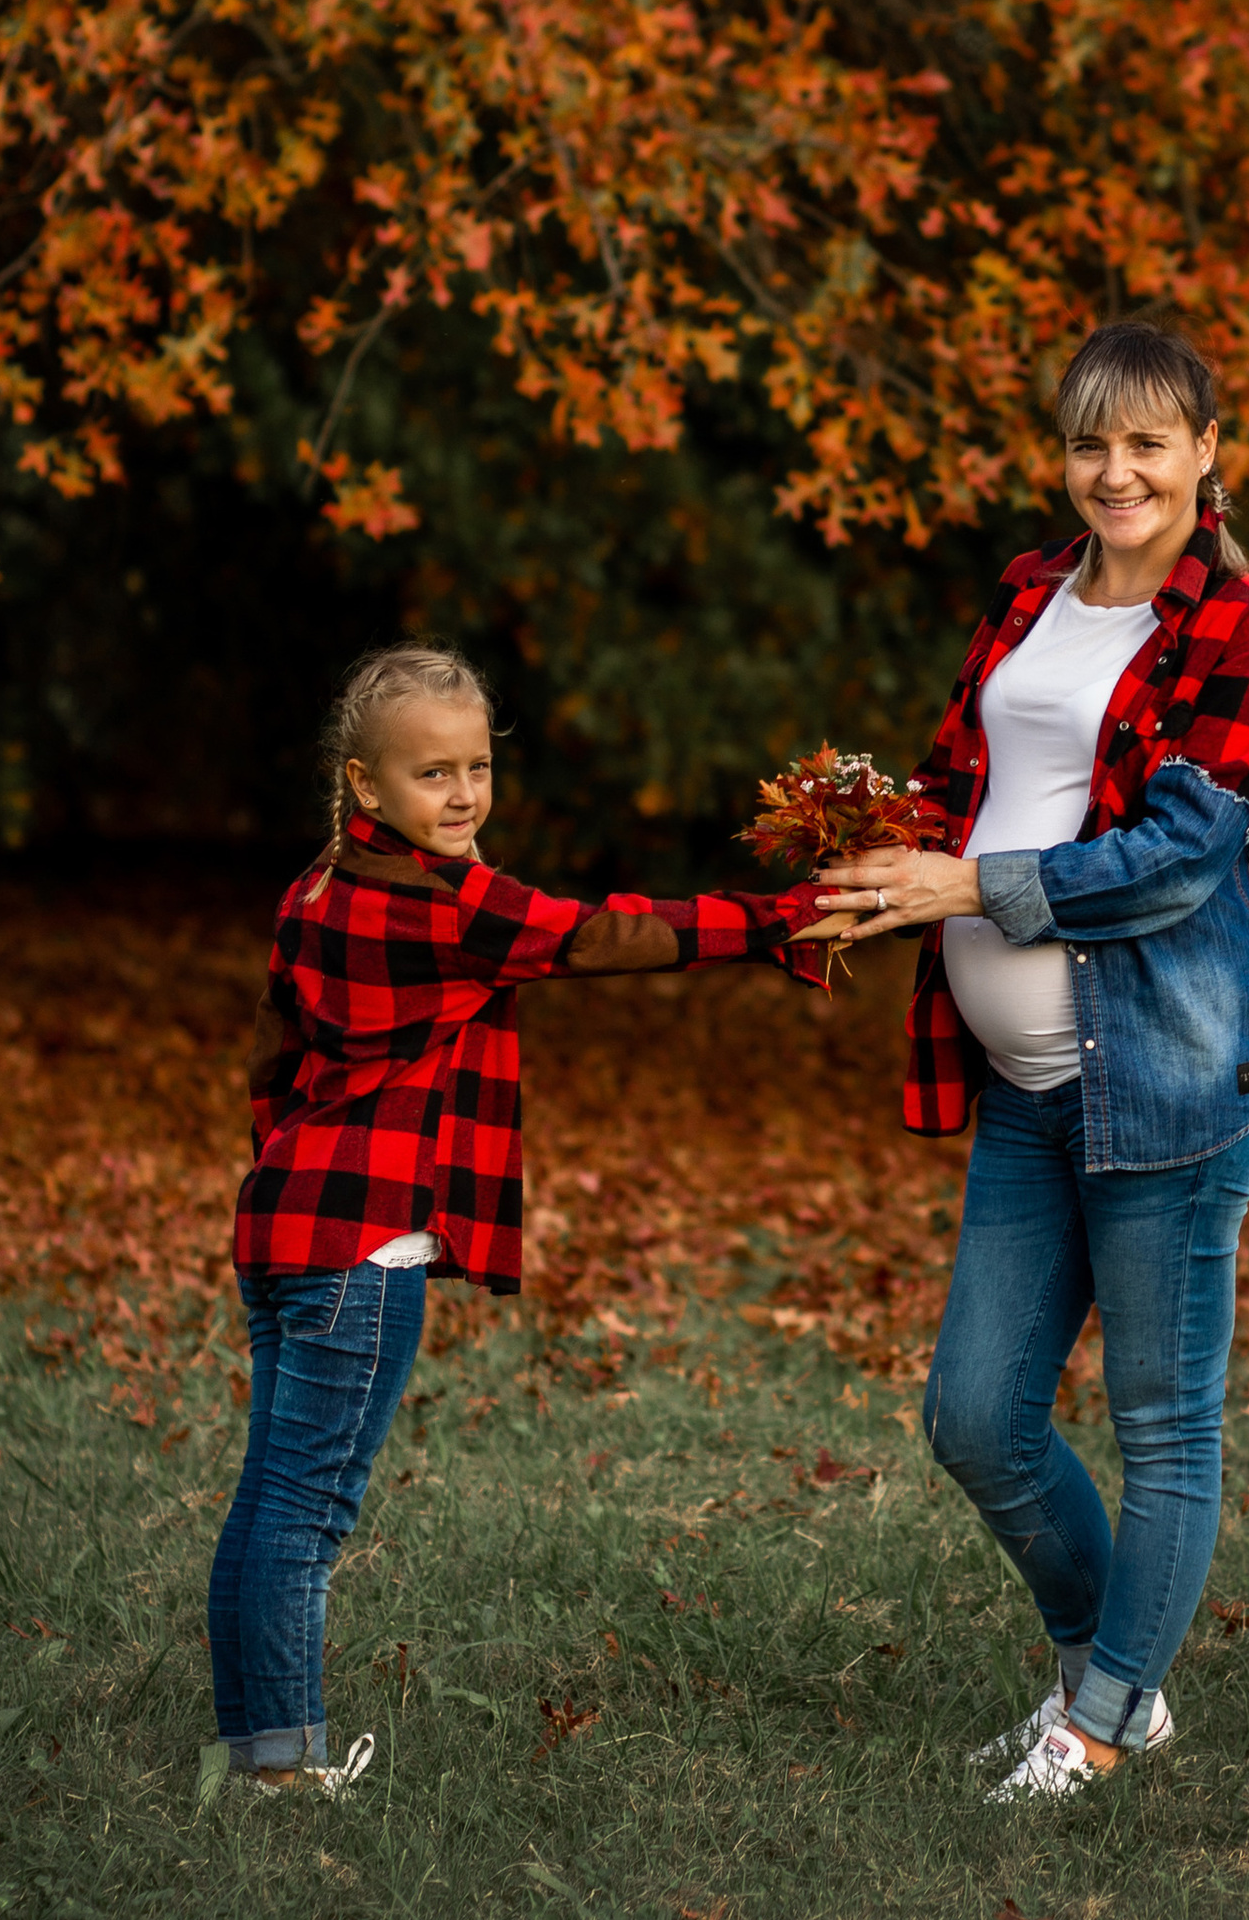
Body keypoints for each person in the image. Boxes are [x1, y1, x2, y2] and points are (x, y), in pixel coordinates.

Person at [797, 320, 1249, 1803]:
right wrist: (865, 843)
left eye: (1149, 441)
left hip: (1170, 1076)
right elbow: (972, 777)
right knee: (975, 1418)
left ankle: (1093, 1722)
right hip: (1025, 1084)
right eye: (1093, 441)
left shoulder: (1243, 630)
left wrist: (972, 890)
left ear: (1206, 452)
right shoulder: (1031, 592)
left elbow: (1181, 855)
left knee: (1162, 1424)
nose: (1117, 471)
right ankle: (1114, 1677)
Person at [210, 643, 820, 1797]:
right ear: (365, 786)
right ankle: (281, 1775)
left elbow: (268, 1060)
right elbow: (610, 930)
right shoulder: (447, 908)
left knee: (268, 1503)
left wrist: (280, 1178)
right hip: (365, 1243)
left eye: (476, 768)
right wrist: (786, 918)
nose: (462, 795)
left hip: (285, 1229)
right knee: (307, 1516)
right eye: (431, 774)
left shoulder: (316, 889)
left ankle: (249, 1755)